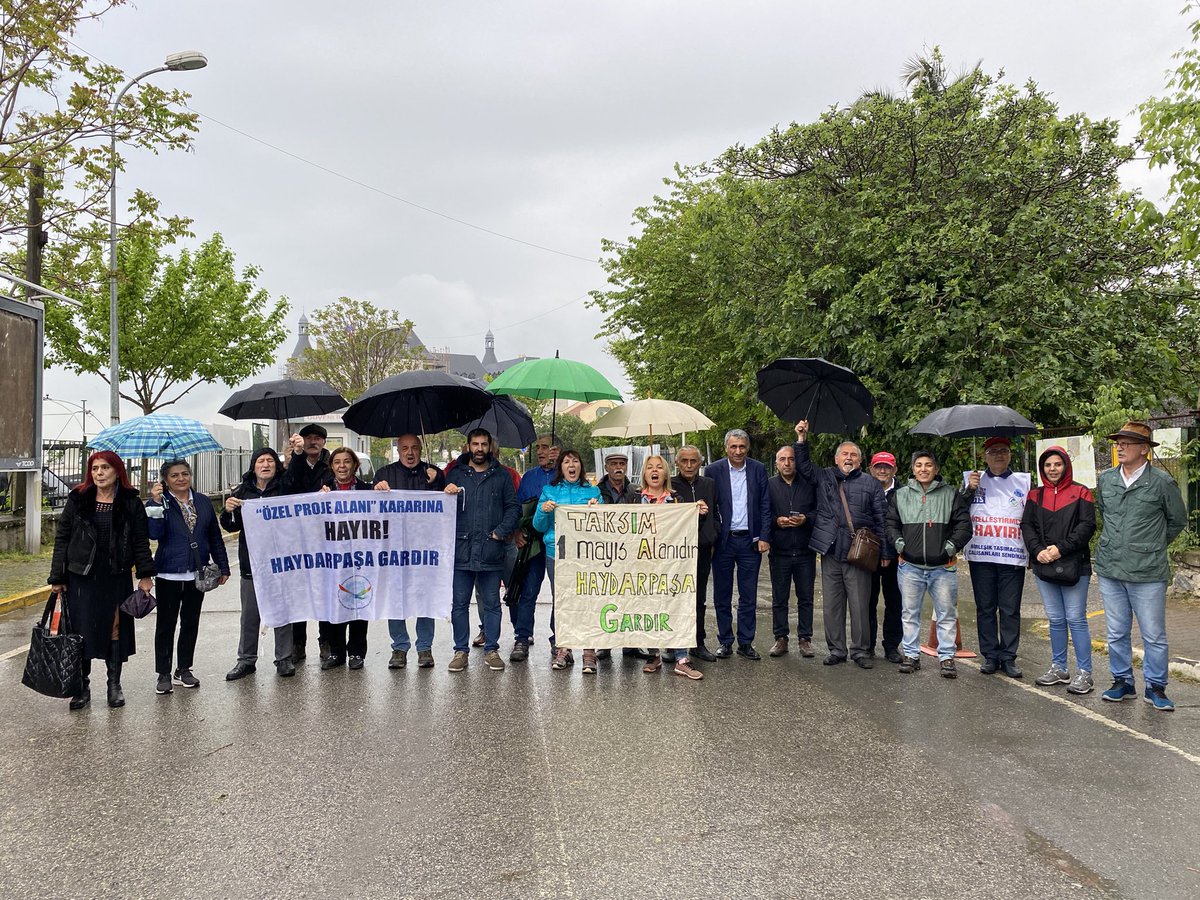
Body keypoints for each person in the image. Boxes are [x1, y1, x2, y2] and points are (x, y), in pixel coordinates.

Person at [48, 451, 155, 710]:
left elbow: (140, 540)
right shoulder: (78, 499)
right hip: (81, 577)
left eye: (105, 468)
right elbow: (62, 538)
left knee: (115, 630)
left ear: (117, 471)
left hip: (115, 575)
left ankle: (114, 685)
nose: (99, 473)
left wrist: (145, 575)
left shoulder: (130, 501)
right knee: (81, 632)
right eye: (95, 468)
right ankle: (81, 687)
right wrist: (58, 577)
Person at [1093, 421, 1188, 711]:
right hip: (1111, 569)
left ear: (1144, 449)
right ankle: (1123, 681)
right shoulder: (1107, 480)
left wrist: (1152, 544)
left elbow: (1177, 520)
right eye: (1118, 443)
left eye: (1127, 443)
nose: (1119, 447)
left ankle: (1155, 686)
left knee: (1153, 634)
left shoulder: (1162, 482)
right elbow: (1104, 513)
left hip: (1147, 572)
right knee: (1116, 631)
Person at [793, 420, 889, 668]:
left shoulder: (870, 483)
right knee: (832, 605)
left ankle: (860, 651)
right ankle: (837, 649)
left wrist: (885, 552)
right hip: (830, 549)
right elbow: (803, 467)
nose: (849, 458)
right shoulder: (824, 476)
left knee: (860, 605)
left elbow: (881, 518)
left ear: (860, 460)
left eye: (854, 455)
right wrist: (802, 439)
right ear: (836, 460)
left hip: (859, 552)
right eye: (844, 454)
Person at [145, 459, 230, 695]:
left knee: (190, 622)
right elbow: (154, 533)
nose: (181, 479)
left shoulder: (202, 501)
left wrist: (223, 566)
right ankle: (163, 673)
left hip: (197, 572)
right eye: (174, 476)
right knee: (166, 624)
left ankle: (183, 669)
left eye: (184, 474)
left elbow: (214, 536)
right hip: (168, 573)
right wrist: (154, 503)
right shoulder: (161, 503)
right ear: (165, 480)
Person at [886, 450, 972, 678]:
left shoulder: (951, 494)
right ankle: (911, 655)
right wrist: (899, 545)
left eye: (928, 465)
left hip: (943, 568)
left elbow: (964, 525)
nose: (923, 469)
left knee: (946, 614)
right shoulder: (901, 495)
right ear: (912, 469)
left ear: (936, 469)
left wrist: (950, 548)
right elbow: (891, 523)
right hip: (910, 566)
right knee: (909, 613)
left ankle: (946, 658)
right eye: (919, 465)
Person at [1021, 446, 1098, 694]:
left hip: (1075, 565)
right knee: (1055, 619)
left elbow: (1087, 526)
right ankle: (1059, 668)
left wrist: (1060, 549)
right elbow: (1027, 526)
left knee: (1075, 619)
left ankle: (1085, 673)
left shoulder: (1081, 493)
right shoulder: (1035, 496)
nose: (1052, 469)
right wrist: (1037, 550)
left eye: (1057, 464)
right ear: (1042, 468)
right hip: (1044, 564)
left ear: (1066, 466)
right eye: (1047, 465)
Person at [443, 428, 520, 672]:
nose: (479, 449)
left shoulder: (501, 476)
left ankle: (492, 649)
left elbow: (513, 507)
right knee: (459, 604)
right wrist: (447, 494)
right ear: (468, 446)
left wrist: (501, 531)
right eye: (475, 444)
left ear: (489, 447)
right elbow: (440, 511)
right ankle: (460, 651)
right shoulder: (455, 474)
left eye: (483, 444)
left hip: (491, 549)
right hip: (461, 549)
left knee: (492, 604)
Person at [221, 448, 297, 679]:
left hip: (280, 563)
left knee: (282, 613)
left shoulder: (285, 489)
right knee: (250, 615)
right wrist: (227, 511)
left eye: (270, 461)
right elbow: (231, 527)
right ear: (253, 466)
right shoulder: (241, 492)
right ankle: (246, 660)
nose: (266, 465)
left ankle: (284, 659)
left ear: (277, 465)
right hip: (251, 564)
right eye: (261, 461)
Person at [373, 433, 445, 669]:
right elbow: (371, 509)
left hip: (425, 549)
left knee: (425, 596)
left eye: (414, 447)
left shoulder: (433, 473)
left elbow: (447, 507)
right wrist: (377, 490)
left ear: (421, 449)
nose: (410, 453)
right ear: (398, 450)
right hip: (394, 548)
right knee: (396, 597)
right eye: (405, 448)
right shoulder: (384, 474)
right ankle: (399, 647)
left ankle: (425, 647)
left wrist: (437, 483)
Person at [961, 437, 1031, 678]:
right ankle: (990, 655)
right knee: (985, 607)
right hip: (982, 556)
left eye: (1004, 451)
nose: (999, 455)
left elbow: (1031, 517)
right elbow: (958, 511)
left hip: (1012, 555)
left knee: (1010, 609)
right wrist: (968, 490)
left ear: (1010, 455)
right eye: (993, 451)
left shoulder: (1023, 481)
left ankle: (1008, 656)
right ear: (984, 456)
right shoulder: (973, 481)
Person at [704, 429, 772, 660]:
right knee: (722, 595)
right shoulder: (713, 470)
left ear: (748, 448)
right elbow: (710, 506)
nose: (738, 451)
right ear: (726, 448)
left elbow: (764, 504)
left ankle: (745, 642)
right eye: (733, 447)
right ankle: (725, 641)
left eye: (742, 446)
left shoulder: (758, 469)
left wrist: (764, 536)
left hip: (750, 542)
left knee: (748, 595)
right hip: (723, 542)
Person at [635, 455, 704, 680]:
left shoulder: (677, 499)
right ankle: (653, 654)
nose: (654, 471)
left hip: (673, 565)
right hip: (642, 563)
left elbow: (688, 528)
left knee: (677, 604)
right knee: (649, 607)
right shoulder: (634, 498)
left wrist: (698, 513)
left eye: (659, 468)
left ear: (665, 473)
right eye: (650, 467)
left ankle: (682, 658)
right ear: (644, 473)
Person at [531, 450, 601, 672]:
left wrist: (598, 509)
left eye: (576, 460)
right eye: (567, 462)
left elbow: (602, 528)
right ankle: (564, 648)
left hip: (586, 553)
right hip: (557, 553)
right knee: (562, 601)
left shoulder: (593, 491)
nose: (572, 465)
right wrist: (543, 511)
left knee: (587, 600)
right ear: (560, 467)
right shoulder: (549, 491)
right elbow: (538, 526)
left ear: (580, 466)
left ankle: (589, 652)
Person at [317, 447, 373, 670]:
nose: (342, 466)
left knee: (359, 600)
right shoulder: (322, 492)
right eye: (337, 462)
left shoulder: (368, 491)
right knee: (335, 604)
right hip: (333, 559)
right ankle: (337, 652)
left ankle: (357, 652)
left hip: (360, 557)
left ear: (355, 466)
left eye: (347, 461)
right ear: (331, 466)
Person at [510, 434, 562, 661]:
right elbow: (517, 507)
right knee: (528, 591)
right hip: (532, 542)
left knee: (559, 594)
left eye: (545, 447)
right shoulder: (529, 477)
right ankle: (522, 637)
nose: (540, 452)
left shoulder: (565, 475)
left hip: (557, 543)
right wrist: (515, 532)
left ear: (556, 450)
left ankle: (558, 639)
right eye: (537, 448)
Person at [283, 423, 332, 663]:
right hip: (298, 538)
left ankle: (325, 641)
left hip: (325, 539)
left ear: (324, 441)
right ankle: (297, 643)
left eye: (317, 438)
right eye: (308, 438)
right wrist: (296, 457)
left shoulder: (332, 464)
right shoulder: (296, 460)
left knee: (323, 592)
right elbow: (290, 485)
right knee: (299, 592)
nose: (313, 442)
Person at [766, 444, 817, 659]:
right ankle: (781, 638)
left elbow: (819, 511)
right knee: (780, 598)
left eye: (791, 459)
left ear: (796, 462)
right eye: (782, 459)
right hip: (780, 550)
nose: (787, 463)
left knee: (806, 597)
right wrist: (776, 521)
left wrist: (806, 519)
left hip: (805, 550)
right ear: (776, 463)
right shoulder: (768, 486)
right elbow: (763, 514)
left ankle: (805, 639)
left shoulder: (808, 484)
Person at [671, 446, 719, 662]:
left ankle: (698, 642)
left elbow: (717, 511)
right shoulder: (669, 485)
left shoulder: (709, 484)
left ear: (700, 463)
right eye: (684, 461)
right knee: (674, 597)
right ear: (676, 463)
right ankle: (672, 644)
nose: (689, 465)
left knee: (698, 597)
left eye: (693, 461)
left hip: (702, 548)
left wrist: (714, 533)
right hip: (675, 551)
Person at [867, 451, 904, 663]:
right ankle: (868, 645)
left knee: (894, 602)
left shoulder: (904, 493)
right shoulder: (864, 489)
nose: (882, 470)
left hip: (896, 555)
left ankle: (891, 646)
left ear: (895, 469)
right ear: (871, 469)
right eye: (878, 466)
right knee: (867, 602)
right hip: (869, 554)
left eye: (887, 467)